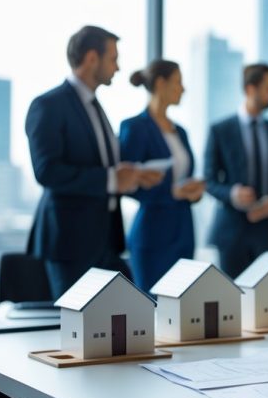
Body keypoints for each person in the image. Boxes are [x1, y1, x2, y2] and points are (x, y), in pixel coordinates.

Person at [25, 25, 163, 298]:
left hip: (105, 239)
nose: (118, 67)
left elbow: (102, 165)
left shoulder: (96, 107)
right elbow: (47, 171)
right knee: (77, 334)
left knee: (129, 318)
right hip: (69, 242)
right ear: (91, 58)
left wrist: (130, 176)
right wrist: (111, 179)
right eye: (113, 58)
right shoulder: (49, 105)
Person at [118, 60, 204, 291]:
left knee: (182, 307)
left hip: (183, 229)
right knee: (152, 307)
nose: (183, 89)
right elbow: (126, 185)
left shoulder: (181, 132)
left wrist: (194, 191)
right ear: (160, 83)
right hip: (152, 232)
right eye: (178, 82)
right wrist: (171, 192)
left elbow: (184, 178)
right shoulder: (134, 127)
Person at [204, 63, 268, 278]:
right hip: (231, 231)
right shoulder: (220, 130)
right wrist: (232, 194)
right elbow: (209, 180)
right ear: (250, 89)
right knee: (232, 303)